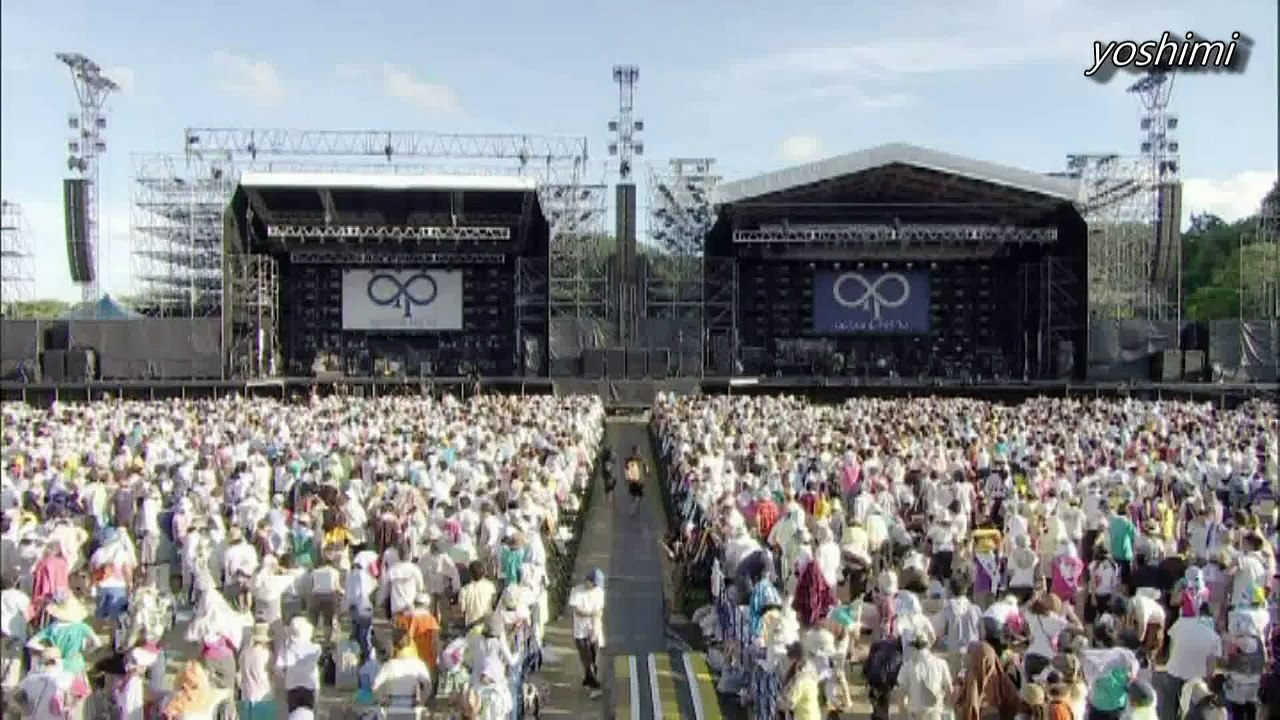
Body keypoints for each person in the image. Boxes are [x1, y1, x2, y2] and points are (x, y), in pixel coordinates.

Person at [566, 569, 605, 698]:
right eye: (593, 583)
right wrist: (591, 614)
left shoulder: (599, 592)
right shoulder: (576, 591)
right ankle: (594, 686)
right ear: (588, 580)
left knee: (594, 658)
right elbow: (577, 611)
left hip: (594, 629)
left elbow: (599, 611)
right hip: (580, 632)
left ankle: (590, 680)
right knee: (586, 659)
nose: (594, 587)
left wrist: (595, 628)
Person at [624, 447, 646, 516]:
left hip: (639, 482)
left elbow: (645, 469)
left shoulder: (642, 460)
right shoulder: (630, 460)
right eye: (637, 452)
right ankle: (634, 509)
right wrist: (627, 478)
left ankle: (633, 509)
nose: (639, 453)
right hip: (633, 481)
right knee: (634, 497)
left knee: (637, 497)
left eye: (639, 452)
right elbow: (626, 470)